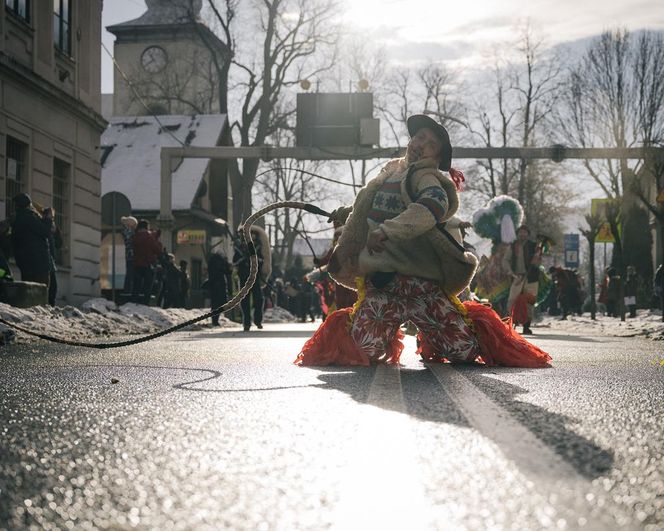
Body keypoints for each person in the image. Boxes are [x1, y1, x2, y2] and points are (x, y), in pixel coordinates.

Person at [296, 114, 550, 368]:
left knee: (463, 350)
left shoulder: (426, 177)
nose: (421, 143)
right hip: (382, 285)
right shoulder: (389, 173)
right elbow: (371, 207)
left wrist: (388, 231)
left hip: (423, 286)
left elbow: (432, 205)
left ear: (437, 156)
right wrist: (347, 213)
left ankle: (453, 332)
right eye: (419, 137)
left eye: (430, 143)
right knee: (362, 348)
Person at [10, 193, 52, 289]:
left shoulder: (16, 219)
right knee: (41, 293)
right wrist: (48, 219)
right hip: (38, 265)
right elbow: (45, 232)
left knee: (28, 293)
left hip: (25, 265)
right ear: (28, 205)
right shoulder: (29, 217)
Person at [233, 227, 271, 331]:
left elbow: (263, 260)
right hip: (244, 277)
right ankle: (246, 322)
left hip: (255, 276)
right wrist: (243, 258)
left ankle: (258, 320)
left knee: (259, 300)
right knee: (244, 301)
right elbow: (235, 262)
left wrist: (254, 259)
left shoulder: (258, 247)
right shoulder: (239, 248)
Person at [505, 225, 541, 335]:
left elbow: (538, 262)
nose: (522, 234)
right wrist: (510, 272)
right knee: (512, 300)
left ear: (528, 234)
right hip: (517, 277)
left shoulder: (534, 246)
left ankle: (526, 326)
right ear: (518, 234)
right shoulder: (513, 246)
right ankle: (510, 324)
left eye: (525, 232)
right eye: (521, 232)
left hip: (531, 278)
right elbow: (506, 260)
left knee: (529, 302)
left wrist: (537, 257)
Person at [131, 219, 162, 305]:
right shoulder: (149, 237)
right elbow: (157, 249)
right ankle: (145, 302)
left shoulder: (135, 236)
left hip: (136, 264)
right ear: (146, 227)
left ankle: (134, 301)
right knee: (147, 285)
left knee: (136, 284)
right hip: (148, 264)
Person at [42, 207, 62, 305]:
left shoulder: (51, 228)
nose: (52, 219)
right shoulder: (43, 226)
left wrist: (56, 232)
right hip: (45, 261)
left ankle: (51, 306)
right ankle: (48, 306)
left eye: (53, 217)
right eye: (51, 216)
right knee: (50, 287)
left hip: (51, 261)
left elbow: (59, 244)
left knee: (53, 287)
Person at [206, 251, 232, 326]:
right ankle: (215, 320)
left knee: (215, 303)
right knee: (220, 303)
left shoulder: (211, 262)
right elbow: (228, 271)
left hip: (213, 285)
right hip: (220, 285)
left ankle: (214, 320)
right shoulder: (221, 263)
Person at [120, 216, 138, 294]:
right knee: (129, 275)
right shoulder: (129, 232)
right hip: (129, 256)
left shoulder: (124, 232)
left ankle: (126, 290)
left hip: (125, 256)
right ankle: (128, 291)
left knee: (128, 275)